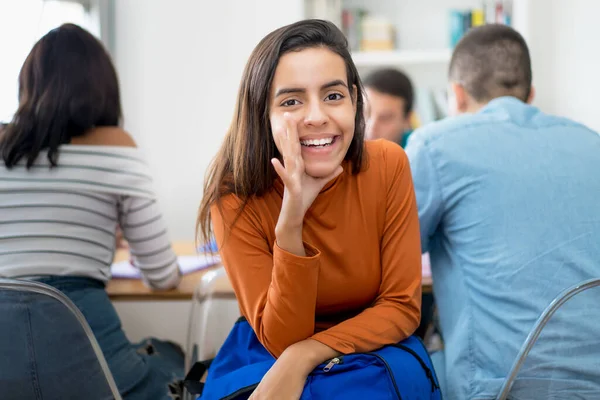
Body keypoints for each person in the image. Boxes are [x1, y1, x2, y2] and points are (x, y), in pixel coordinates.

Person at [197, 19, 424, 398]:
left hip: (374, 347)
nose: (317, 116)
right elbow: (281, 339)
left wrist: (305, 356)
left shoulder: (388, 164)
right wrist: (291, 222)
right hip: (268, 350)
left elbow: (402, 307)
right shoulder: (234, 195)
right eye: (291, 101)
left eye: (333, 96)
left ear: (354, 100)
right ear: (261, 113)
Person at [405, 24, 600, 399]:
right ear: (531, 95)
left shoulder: (436, 145)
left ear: (456, 96)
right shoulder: (592, 144)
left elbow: (388, 256)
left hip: (505, 388)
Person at [0, 24, 183, 399]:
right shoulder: (117, 148)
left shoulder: (3, 146)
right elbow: (163, 276)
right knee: (171, 357)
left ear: (28, 84)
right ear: (102, 87)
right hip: (92, 369)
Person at [363, 68, 414, 147]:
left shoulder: (418, 152)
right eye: (364, 113)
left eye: (385, 118)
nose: (371, 128)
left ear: (407, 120)